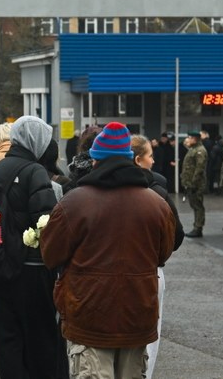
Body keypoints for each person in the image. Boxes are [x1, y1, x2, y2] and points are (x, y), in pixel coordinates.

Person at [41, 122, 177, 379]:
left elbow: (51, 254)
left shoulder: (74, 203)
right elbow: (163, 254)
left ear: (96, 161)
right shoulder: (156, 204)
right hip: (137, 313)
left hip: (89, 314)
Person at [0, 115, 66, 379]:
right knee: (40, 339)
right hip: (32, 268)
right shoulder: (34, 171)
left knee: (9, 339)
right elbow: (46, 221)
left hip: (0, 263)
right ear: (37, 140)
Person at [131, 134, 185, 377]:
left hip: (111, 269)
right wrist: (156, 255)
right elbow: (177, 235)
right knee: (150, 335)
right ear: (138, 159)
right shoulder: (157, 190)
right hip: (150, 270)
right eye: (150, 156)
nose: (153, 161)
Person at [179, 131, 208, 238]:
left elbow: (199, 169)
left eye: (190, 138)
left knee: (198, 206)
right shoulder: (193, 149)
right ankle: (196, 226)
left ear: (195, 139)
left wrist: (193, 183)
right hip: (190, 183)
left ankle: (198, 228)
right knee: (195, 205)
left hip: (196, 184)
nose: (188, 140)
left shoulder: (200, 150)